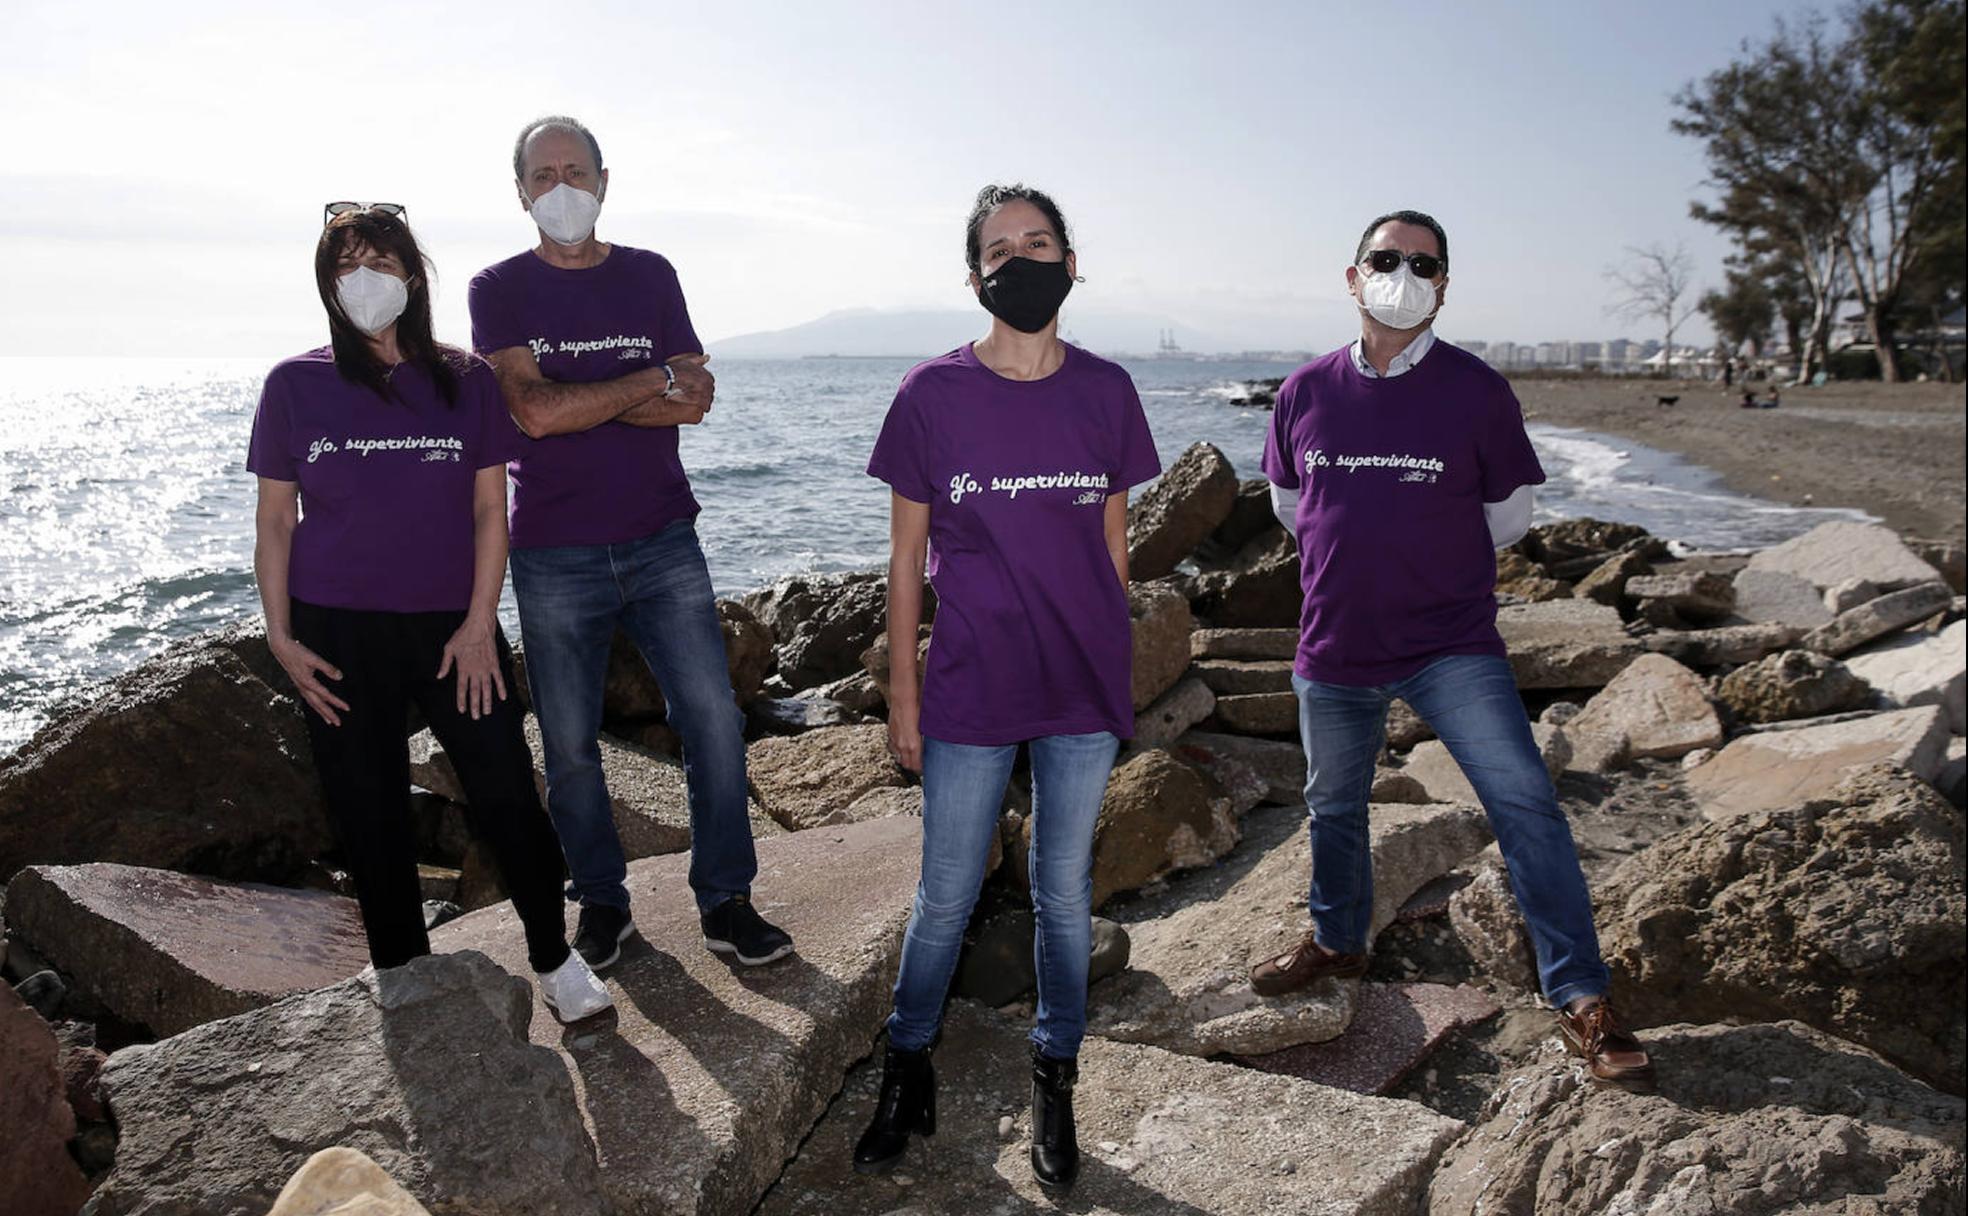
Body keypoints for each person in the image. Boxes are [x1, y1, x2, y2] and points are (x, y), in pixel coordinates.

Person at [1250, 209, 1655, 1090]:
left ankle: (1582, 997)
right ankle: (1335, 941)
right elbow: (1289, 504)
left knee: (1526, 807)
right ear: (1353, 276)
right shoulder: (1303, 392)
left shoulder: (1477, 391)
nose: (1404, 272)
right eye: (1385, 258)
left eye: (1423, 263)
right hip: (1334, 643)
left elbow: (1509, 519)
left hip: (1452, 644)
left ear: (1443, 285)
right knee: (1332, 806)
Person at [852, 184, 1161, 1192]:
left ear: (1072, 263)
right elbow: (905, 565)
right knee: (945, 894)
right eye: (999, 247)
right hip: (971, 687)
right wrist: (904, 695)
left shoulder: (1108, 392)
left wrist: (1119, 674)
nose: (1020, 259)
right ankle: (906, 1069)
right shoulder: (930, 396)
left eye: (1039, 242)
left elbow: (1115, 548)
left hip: (1078, 685)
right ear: (974, 274)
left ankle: (1055, 1074)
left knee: (1063, 894)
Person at [248, 203, 611, 1022]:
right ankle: (405, 978)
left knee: (508, 794)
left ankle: (555, 961)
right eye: (345, 268)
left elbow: (493, 511)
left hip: (454, 629)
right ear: (326, 286)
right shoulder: (294, 385)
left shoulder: (466, 380)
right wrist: (280, 638)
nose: (364, 281)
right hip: (333, 631)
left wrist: (481, 622)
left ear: (412, 275)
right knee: (368, 816)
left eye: (379, 262)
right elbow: (276, 521)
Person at [468, 116, 792, 972]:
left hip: (662, 536)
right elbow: (528, 413)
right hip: (552, 550)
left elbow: (695, 401)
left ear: (605, 180)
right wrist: (644, 380)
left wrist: (582, 393)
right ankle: (603, 903)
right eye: (544, 174)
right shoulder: (495, 287)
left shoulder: (651, 275)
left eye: (576, 169)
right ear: (521, 192)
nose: (561, 186)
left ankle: (726, 898)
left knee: (716, 722)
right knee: (569, 743)